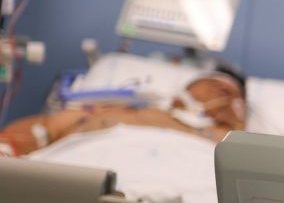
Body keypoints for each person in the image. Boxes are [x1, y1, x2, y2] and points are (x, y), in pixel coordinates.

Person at [0, 64, 246, 155]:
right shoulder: (121, 109)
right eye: (214, 84)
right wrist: (7, 148)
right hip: (79, 172)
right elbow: (44, 128)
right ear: (186, 89)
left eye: (233, 95)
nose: (223, 92)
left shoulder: (226, 140)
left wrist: (233, 123)